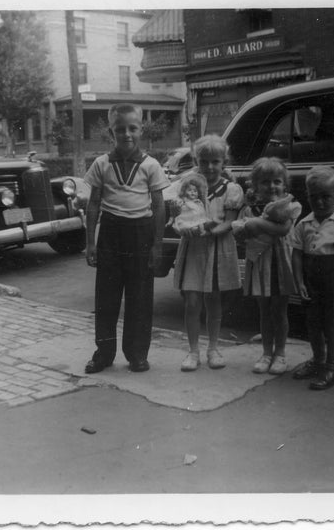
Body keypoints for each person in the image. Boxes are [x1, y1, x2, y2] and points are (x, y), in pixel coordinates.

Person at [83, 104, 169, 374]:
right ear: (112, 131)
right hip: (110, 233)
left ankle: (137, 354)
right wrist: (90, 242)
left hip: (141, 234)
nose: (127, 134)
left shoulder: (151, 165)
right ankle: (104, 353)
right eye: (120, 129)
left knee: (140, 298)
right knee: (106, 297)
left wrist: (157, 245)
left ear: (141, 129)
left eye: (133, 128)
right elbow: (94, 205)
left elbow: (159, 207)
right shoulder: (101, 163)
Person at [173, 134, 244, 371]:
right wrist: (183, 226)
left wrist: (208, 231)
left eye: (215, 161)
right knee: (192, 302)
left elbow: (230, 223)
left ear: (223, 162)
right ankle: (193, 351)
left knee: (214, 301)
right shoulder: (188, 187)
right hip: (193, 249)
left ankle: (213, 348)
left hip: (216, 248)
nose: (210, 167)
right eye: (204, 162)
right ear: (197, 161)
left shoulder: (231, 189)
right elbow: (180, 216)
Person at [291, 165, 334, 390]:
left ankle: (331, 368)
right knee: (312, 325)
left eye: (326, 197)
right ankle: (317, 361)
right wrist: (299, 282)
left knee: (331, 326)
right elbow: (297, 255)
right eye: (314, 197)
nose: (320, 202)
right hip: (312, 284)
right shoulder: (303, 225)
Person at [233, 157, 302, 375]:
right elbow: (241, 237)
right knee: (264, 310)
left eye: (277, 181)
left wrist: (255, 224)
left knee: (280, 310)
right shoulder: (249, 209)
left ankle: (280, 353)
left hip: (280, 264)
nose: (272, 186)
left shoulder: (290, 206)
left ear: (285, 184)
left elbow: (282, 230)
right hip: (260, 264)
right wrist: (243, 230)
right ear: (255, 185)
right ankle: (266, 353)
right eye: (265, 182)